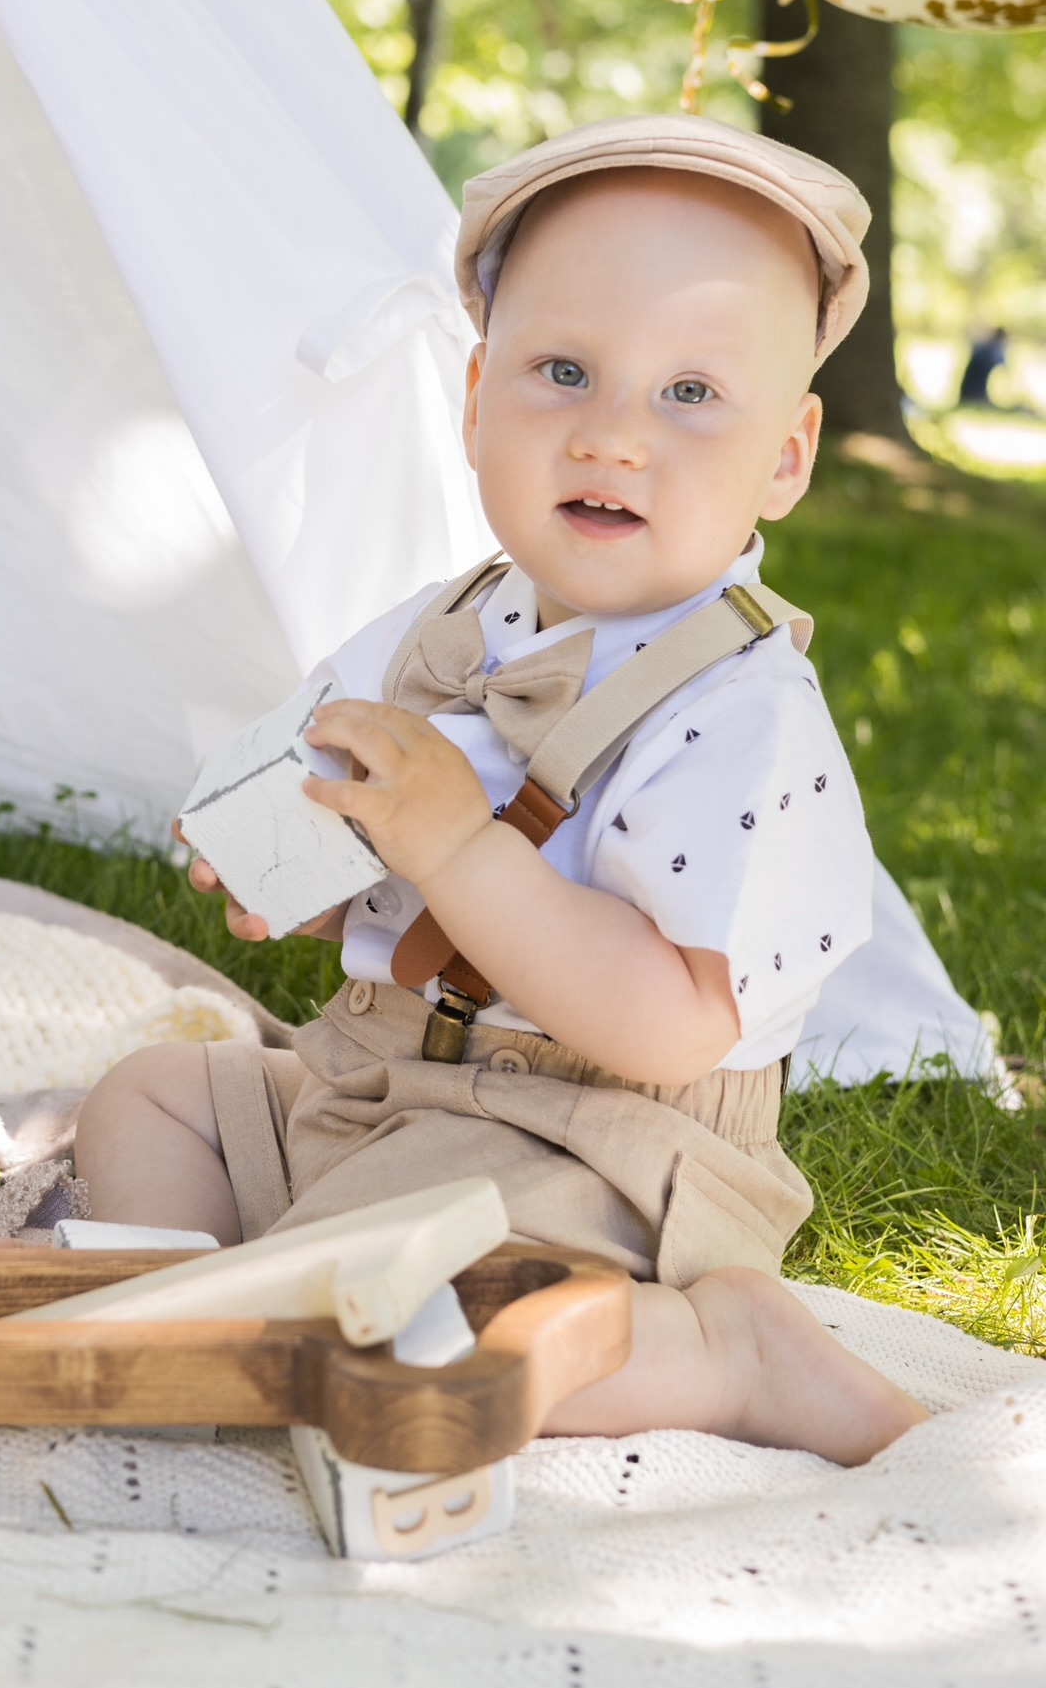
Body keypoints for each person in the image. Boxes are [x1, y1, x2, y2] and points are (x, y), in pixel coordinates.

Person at [76, 115, 928, 1466]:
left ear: (787, 453)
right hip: (374, 1079)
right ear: (476, 399)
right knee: (147, 1098)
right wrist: (292, 880)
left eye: (690, 395)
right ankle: (182, 1321)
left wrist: (458, 842)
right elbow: (369, 850)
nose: (611, 436)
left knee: (436, 1316)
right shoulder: (447, 627)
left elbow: (666, 1027)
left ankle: (721, 1349)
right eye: (564, 371)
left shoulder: (741, 712)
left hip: (588, 1140)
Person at [957, 325, 1008, 407]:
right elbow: (1005, 371)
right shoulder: (994, 352)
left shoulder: (982, 347)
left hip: (965, 392)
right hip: (976, 395)